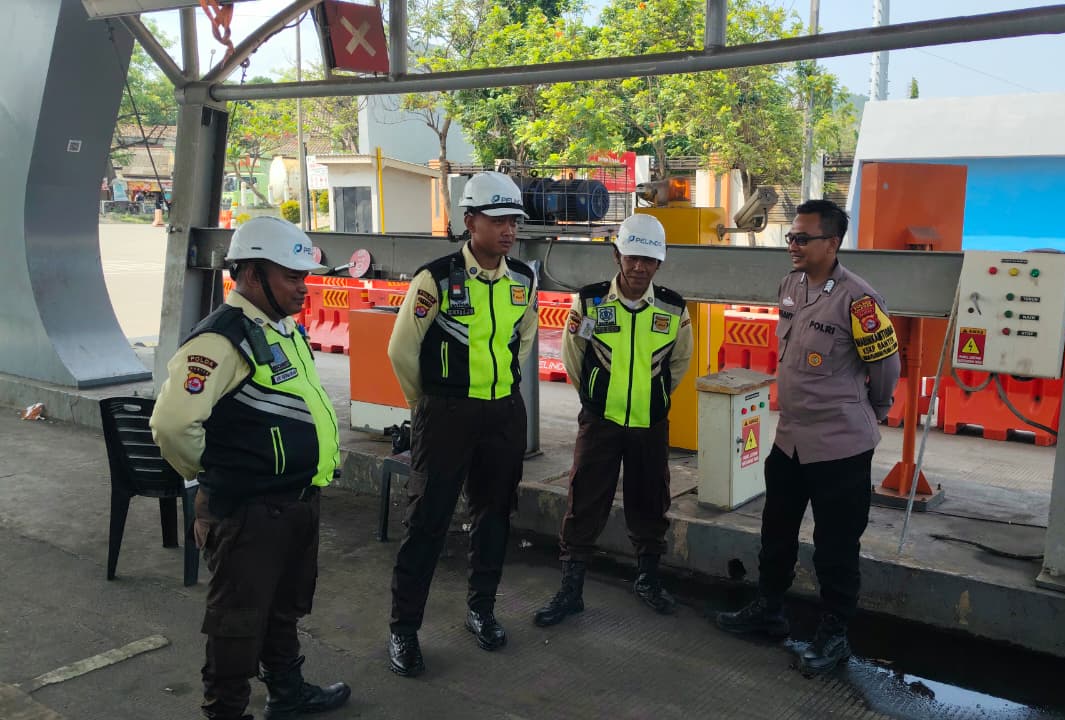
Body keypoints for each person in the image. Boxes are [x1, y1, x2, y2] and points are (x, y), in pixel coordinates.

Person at [150, 216, 351, 720]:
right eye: (292, 277)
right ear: (253, 273)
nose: (303, 287)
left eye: (305, 277)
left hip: (296, 503)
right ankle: (226, 711)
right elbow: (172, 424)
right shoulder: (221, 339)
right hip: (250, 512)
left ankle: (287, 692)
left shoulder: (281, 328)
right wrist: (213, 476)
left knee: (284, 608)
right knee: (236, 624)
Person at [714, 199, 901, 677]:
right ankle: (769, 609)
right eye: (790, 237)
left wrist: (875, 412)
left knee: (836, 546)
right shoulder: (791, 285)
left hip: (840, 447)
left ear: (832, 243)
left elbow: (885, 366)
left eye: (802, 238)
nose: (792, 245)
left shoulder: (859, 301)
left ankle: (834, 634)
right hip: (790, 440)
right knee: (776, 531)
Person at [385, 171, 539, 676]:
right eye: (497, 220)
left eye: (514, 220)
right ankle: (404, 630)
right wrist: (426, 404)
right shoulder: (435, 278)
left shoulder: (523, 279)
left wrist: (502, 389)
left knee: (494, 518)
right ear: (470, 222)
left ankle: (482, 610)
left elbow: (524, 338)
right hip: (446, 416)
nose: (508, 230)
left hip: (502, 415)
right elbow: (401, 349)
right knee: (427, 523)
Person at [533, 213, 694, 628]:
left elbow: (679, 363)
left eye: (649, 260)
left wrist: (653, 399)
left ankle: (648, 579)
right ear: (617, 255)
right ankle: (571, 589)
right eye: (632, 257)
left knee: (651, 501)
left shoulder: (673, 308)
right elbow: (573, 356)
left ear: (659, 263)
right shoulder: (590, 302)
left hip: (650, 424)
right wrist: (595, 397)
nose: (639, 267)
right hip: (600, 423)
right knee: (585, 500)